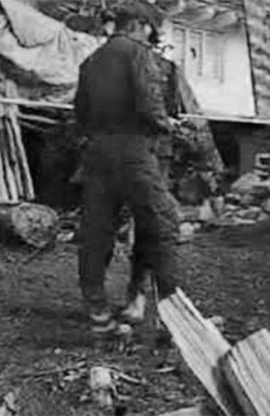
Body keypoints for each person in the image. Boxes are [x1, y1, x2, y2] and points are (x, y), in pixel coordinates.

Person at [73, 1, 181, 334]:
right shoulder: (137, 54)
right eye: (148, 28)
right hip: (134, 150)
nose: (149, 35)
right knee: (162, 223)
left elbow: (80, 113)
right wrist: (166, 125)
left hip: (97, 152)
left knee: (97, 230)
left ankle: (97, 310)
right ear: (137, 25)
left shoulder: (91, 60)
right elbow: (149, 103)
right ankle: (175, 315)